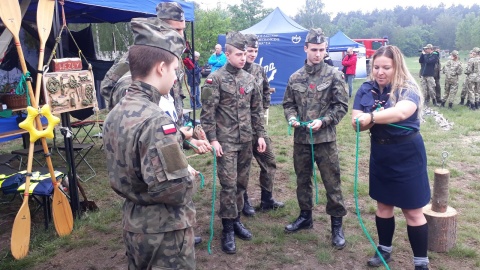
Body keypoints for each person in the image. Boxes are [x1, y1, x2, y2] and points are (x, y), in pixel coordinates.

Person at [103, 18, 196, 269]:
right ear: (161, 68)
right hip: (164, 231)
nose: (176, 78)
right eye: (175, 70)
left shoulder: (116, 112)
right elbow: (174, 190)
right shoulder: (156, 121)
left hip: (133, 224)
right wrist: (189, 175)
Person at [351, 45, 430, 270]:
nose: (380, 72)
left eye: (386, 67)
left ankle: (421, 262)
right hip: (381, 153)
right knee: (383, 205)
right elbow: (357, 122)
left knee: (413, 210)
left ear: (397, 67)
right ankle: (384, 250)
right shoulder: (366, 89)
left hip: (407, 154)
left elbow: (401, 112)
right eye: (376, 67)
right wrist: (359, 121)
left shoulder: (407, 88)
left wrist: (371, 117)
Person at [200, 31, 266, 254]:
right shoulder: (215, 79)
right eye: (238, 54)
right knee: (228, 185)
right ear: (227, 54)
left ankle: (236, 219)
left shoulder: (249, 79)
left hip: (246, 140)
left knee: (240, 183)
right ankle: (227, 228)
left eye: (245, 53)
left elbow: (256, 110)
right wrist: (213, 139)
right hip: (225, 143)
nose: (243, 57)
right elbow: (207, 113)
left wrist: (260, 135)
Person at [282, 28, 348, 250]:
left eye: (321, 50)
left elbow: (341, 106)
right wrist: (291, 118)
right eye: (314, 50)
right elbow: (288, 104)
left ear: (325, 49)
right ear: (306, 49)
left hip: (325, 140)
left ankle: (336, 225)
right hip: (301, 140)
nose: (317, 54)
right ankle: (305, 216)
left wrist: (325, 121)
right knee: (303, 179)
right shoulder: (295, 77)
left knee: (332, 182)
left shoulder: (334, 75)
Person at [100, 2, 186, 126]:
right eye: (177, 29)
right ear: (161, 27)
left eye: (183, 29)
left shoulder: (171, 56)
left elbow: (175, 95)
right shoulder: (143, 54)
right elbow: (109, 88)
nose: (181, 35)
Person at [240, 34, 284, 217]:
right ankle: (244, 202)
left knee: (269, 160)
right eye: (249, 51)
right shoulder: (236, 70)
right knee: (243, 167)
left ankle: (267, 199)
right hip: (239, 129)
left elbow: (266, 90)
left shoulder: (259, 70)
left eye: (255, 51)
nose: (252, 54)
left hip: (257, 127)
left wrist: (263, 107)